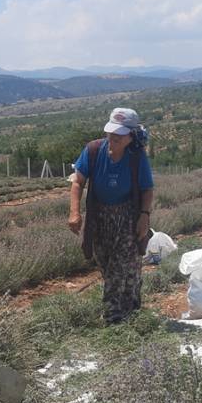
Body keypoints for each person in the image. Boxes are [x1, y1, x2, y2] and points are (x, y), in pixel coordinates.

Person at [68, 108, 154, 324]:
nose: (114, 138)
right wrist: (75, 212)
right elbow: (78, 181)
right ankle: (131, 305)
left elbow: (147, 189)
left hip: (127, 216)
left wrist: (144, 216)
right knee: (107, 264)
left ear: (131, 136)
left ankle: (112, 317)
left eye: (120, 135)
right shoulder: (93, 151)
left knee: (119, 265)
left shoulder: (136, 157)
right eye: (111, 133)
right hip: (99, 216)